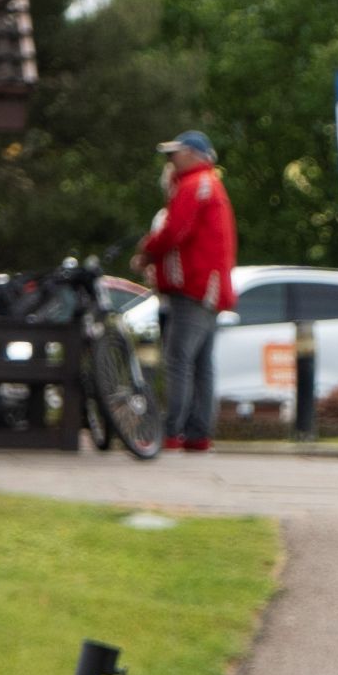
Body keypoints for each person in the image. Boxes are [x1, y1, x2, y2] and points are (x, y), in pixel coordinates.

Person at [135, 130, 235, 454]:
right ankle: (199, 433)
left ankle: (173, 431)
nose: (170, 161)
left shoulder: (194, 186)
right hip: (209, 288)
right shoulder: (210, 185)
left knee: (178, 360)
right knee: (202, 363)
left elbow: (174, 230)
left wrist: (147, 251)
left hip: (192, 285)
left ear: (192, 154)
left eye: (175, 154)